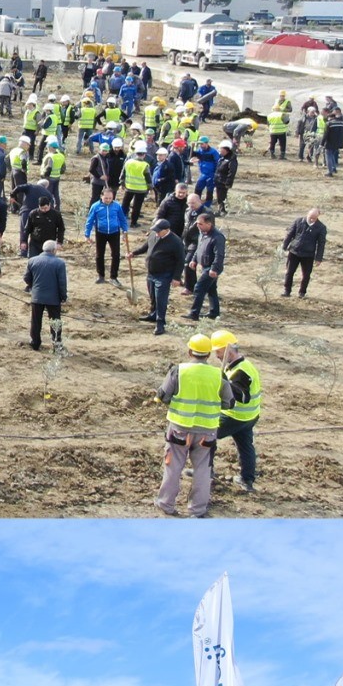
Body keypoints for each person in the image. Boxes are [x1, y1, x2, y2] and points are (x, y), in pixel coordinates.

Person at [154, 335, 233, 518]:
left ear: (190, 352)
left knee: (173, 467)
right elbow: (229, 403)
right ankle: (197, 509)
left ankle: (166, 504)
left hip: (179, 429)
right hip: (207, 432)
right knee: (203, 470)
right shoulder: (217, 374)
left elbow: (164, 396)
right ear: (208, 354)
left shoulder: (179, 371)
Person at [211, 330, 260, 493]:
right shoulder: (242, 366)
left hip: (235, 417)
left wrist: (225, 382)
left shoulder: (241, 372)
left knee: (207, 435)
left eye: (218, 351)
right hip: (249, 417)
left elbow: (243, 397)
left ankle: (205, 472)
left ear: (228, 350)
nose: (217, 355)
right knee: (246, 446)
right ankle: (247, 480)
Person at [131, 218, 185, 335]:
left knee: (161, 299)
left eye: (159, 231)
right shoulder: (153, 235)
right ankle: (153, 315)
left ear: (166, 230)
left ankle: (160, 323)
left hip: (164, 274)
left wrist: (176, 278)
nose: (156, 232)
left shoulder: (175, 242)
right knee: (153, 297)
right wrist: (134, 253)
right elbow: (146, 246)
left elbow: (180, 261)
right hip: (151, 273)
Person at [23, 240, 67, 353]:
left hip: (37, 296)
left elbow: (26, 278)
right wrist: (63, 296)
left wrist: (34, 286)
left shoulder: (32, 261)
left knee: (36, 321)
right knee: (55, 322)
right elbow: (62, 282)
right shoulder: (59, 263)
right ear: (54, 250)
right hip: (53, 298)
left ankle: (35, 343)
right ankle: (56, 345)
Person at [83, 188, 128, 286]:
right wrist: (87, 234)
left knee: (116, 255)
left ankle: (113, 277)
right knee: (100, 255)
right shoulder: (95, 206)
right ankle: (101, 275)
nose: (108, 200)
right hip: (100, 233)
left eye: (110, 198)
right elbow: (90, 221)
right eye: (106, 198)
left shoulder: (117, 206)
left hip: (114, 232)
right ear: (101, 196)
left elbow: (122, 219)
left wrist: (125, 231)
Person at [185, 213, 225, 321]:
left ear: (209, 224)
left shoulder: (217, 237)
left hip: (211, 268)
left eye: (200, 224)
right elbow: (199, 248)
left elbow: (219, 255)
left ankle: (194, 313)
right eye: (197, 223)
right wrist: (194, 259)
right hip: (205, 266)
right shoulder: (202, 233)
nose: (197, 226)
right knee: (211, 290)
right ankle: (214, 312)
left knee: (199, 288)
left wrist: (214, 269)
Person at [281, 208, 326, 298]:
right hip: (294, 251)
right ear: (307, 214)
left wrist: (318, 258)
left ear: (318, 217)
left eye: (314, 218)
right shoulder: (298, 221)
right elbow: (289, 234)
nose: (311, 219)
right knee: (289, 272)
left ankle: (302, 293)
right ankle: (287, 291)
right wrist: (284, 247)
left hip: (308, 255)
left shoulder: (321, 227)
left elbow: (321, 243)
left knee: (306, 275)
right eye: (310, 217)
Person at [322, 107, 343, 177]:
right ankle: (334, 168)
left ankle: (329, 172)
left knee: (328, 156)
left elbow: (325, 135)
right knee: (332, 155)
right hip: (339, 143)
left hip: (330, 142)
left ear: (330, 118)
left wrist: (322, 144)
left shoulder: (329, 124)